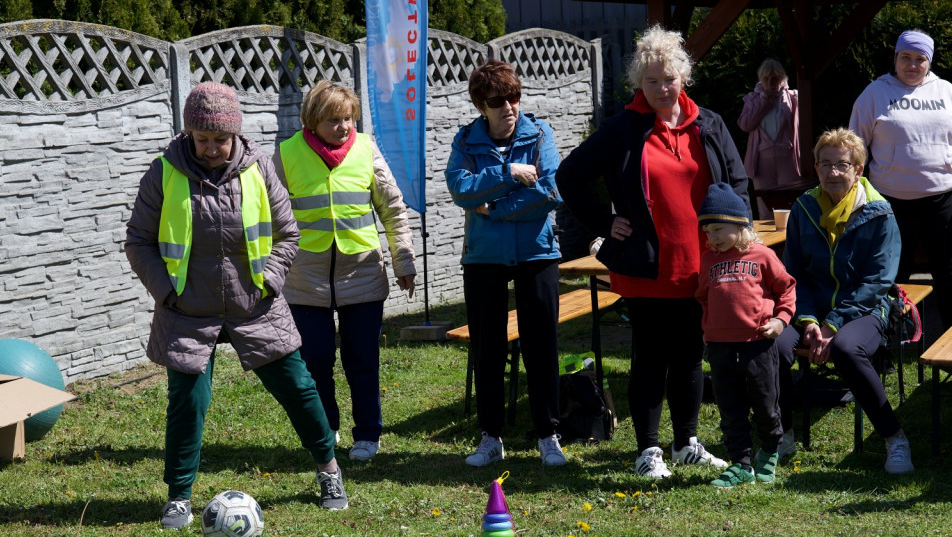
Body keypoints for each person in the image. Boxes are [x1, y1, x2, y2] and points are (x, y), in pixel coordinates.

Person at [125, 82, 348, 528]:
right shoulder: (163, 172)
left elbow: (288, 233)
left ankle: (329, 470)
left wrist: (270, 280)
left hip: (256, 305)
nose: (211, 149)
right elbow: (139, 241)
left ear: (235, 134)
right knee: (187, 400)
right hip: (187, 310)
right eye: (202, 139)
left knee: (299, 388)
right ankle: (179, 497)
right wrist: (167, 292)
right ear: (189, 133)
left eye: (220, 140)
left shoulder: (260, 168)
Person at [557, 25, 747, 479]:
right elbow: (570, 175)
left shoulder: (710, 124)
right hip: (646, 265)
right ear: (639, 84)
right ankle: (648, 450)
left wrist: (734, 231)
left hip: (703, 263)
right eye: (652, 81)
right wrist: (604, 222)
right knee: (650, 356)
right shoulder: (623, 129)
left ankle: (687, 442)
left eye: (669, 79)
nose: (662, 89)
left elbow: (738, 182)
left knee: (689, 354)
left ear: (684, 77)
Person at [274, 80, 417, 462]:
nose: (343, 127)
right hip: (305, 280)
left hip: (363, 276)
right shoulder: (285, 154)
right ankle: (327, 430)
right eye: (334, 120)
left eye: (348, 119)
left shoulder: (367, 148)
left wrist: (403, 261)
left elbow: (393, 209)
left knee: (362, 361)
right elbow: (267, 215)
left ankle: (368, 435)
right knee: (315, 361)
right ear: (312, 120)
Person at [445, 59, 567, 467]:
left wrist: (494, 209)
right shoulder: (466, 141)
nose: (509, 107)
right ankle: (491, 436)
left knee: (541, 345)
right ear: (481, 105)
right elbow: (460, 189)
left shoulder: (539, 133)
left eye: (514, 97)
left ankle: (549, 435)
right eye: (498, 100)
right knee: (488, 348)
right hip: (484, 258)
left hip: (536, 253)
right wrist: (510, 171)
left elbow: (551, 190)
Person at [776, 128, 912, 473]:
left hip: (864, 308)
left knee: (847, 348)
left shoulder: (880, 214)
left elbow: (878, 281)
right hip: (811, 309)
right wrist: (807, 320)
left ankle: (894, 438)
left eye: (841, 165)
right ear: (816, 167)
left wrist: (832, 324)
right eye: (824, 164)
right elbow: (793, 274)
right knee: (771, 343)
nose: (832, 173)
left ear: (858, 171)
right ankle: (780, 433)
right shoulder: (804, 208)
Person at [695, 183, 796, 488]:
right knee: (730, 407)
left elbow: (787, 289)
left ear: (739, 226)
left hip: (757, 345)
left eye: (717, 229)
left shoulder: (763, 256)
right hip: (720, 347)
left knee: (765, 404)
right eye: (707, 231)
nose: (711, 237)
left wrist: (781, 321)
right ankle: (740, 463)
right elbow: (703, 296)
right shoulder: (708, 260)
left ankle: (768, 452)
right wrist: (709, 324)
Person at [850, 29, 952, 330]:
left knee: (949, 274)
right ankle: (887, 342)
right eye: (905, 57)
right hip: (891, 203)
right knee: (891, 276)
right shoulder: (874, 93)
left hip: (942, 199)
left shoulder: (946, 91)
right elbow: (855, 146)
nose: (912, 65)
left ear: (929, 62)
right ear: (895, 58)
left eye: (920, 59)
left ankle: (949, 341)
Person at [737, 58, 802, 218]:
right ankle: (768, 244)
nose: (771, 82)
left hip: (787, 158)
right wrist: (765, 101)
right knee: (765, 207)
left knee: (790, 205)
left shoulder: (793, 98)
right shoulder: (753, 99)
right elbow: (745, 125)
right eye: (766, 78)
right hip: (762, 161)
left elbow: (803, 125)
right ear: (761, 79)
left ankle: (789, 242)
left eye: (775, 78)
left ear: (782, 79)